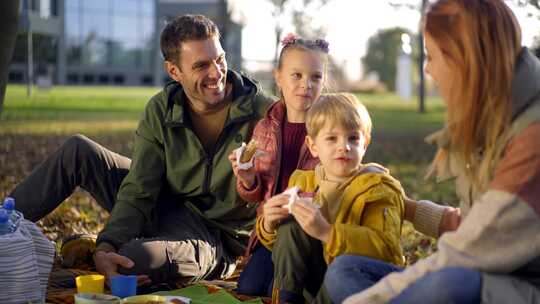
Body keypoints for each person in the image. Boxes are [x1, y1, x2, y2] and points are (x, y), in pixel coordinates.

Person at [9, 14, 274, 285]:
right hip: (162, 204)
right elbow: (139, 188)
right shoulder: (162, 109)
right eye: (201, 65)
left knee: (133, 260)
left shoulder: (265, 113)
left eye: (220, 59)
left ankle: (123, 246)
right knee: (78, 150)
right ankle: (4, 227)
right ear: (174, 71)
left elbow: (306, 152)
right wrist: (107, 246)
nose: (216, 73)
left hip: (214, 236)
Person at [325, 0, 540, 303]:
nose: (427, 69)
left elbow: (467, 252)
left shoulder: (532, 136)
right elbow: (478, 224)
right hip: (488, 269)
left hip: (517, 285)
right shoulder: (499, 117)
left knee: (444, 285)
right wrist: (406, 207)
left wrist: (361, 301)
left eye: (431, 56)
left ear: (463, 59)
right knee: (346, 270)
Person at [260, 93, 406, 303]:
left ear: (365, 143)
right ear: (313, 146)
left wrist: (328, 232)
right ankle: (286, 299)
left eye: (353, 138)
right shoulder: (303, 182)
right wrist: (268, 224)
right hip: (314, 279)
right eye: (331, 138)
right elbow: (284, 249)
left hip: (355, 281)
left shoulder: (378, 188)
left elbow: (387, 248)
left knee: (339, 271)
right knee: (290, 226)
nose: (343, 146)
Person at [228, 33, 328, 297]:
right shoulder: (265, 128)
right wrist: (247, 177)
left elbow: (338, 186)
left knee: (281, 289)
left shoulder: (330, 129)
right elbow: (256, 191)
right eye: (297, 75)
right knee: (249, 288)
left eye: (315, 77)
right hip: (269, 229)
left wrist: (299, 203)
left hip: (308, 232)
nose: (306, 84)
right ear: (279, 77)